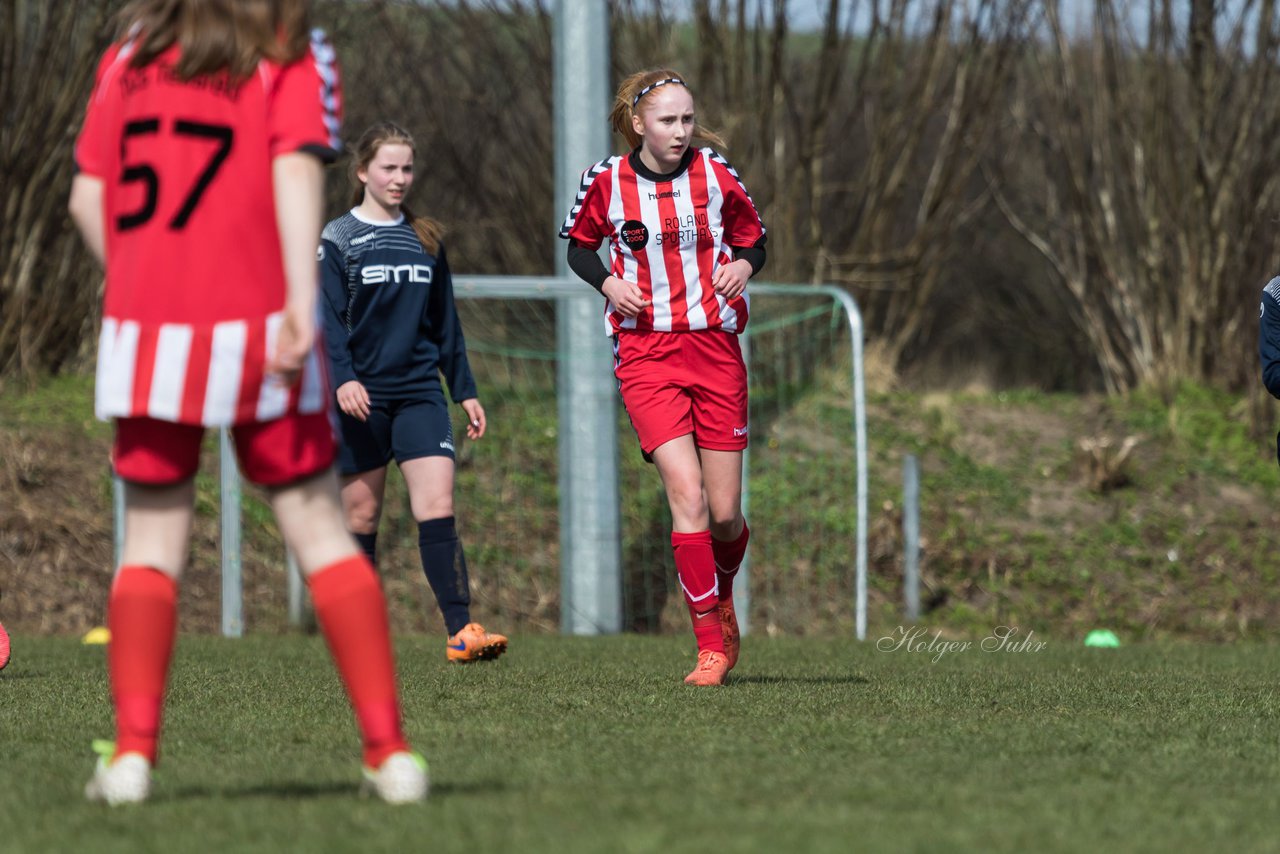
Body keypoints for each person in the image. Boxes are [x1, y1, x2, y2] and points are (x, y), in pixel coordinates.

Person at [69, 0, 426, 805]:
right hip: (260, 326)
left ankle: (130, 758)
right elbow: (296, 171)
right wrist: (302, 299)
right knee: (318, 529)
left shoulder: (128, 55)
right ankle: (388, 752)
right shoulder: (289, 53)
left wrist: (140, 280)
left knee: (152, 544)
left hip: (149, 333)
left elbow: (86, 199)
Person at [559, 70, 767, 686]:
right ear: (639, 124)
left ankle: (721, 598)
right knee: (689, 497)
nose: (681, 131)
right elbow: (578, 246)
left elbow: (756, 240)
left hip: (716, 350)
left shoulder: (716, 173)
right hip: (646, 353)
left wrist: (744, 269)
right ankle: (708, 643)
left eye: (687, 119)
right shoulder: (606, 181)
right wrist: (607, 282)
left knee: (726, 512)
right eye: (669, 120)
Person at [320, 121, 507, 663]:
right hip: (361, 397)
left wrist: (464, 389)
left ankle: (460, 630)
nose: (399, 178)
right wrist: (343, 379)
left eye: (406, 169)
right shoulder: (339, 239)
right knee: (360, 520)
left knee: (438, 505)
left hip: (421, 391)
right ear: (362, 173)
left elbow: (445, 323)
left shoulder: (426, 238)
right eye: (388, 168)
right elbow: (328, 322)